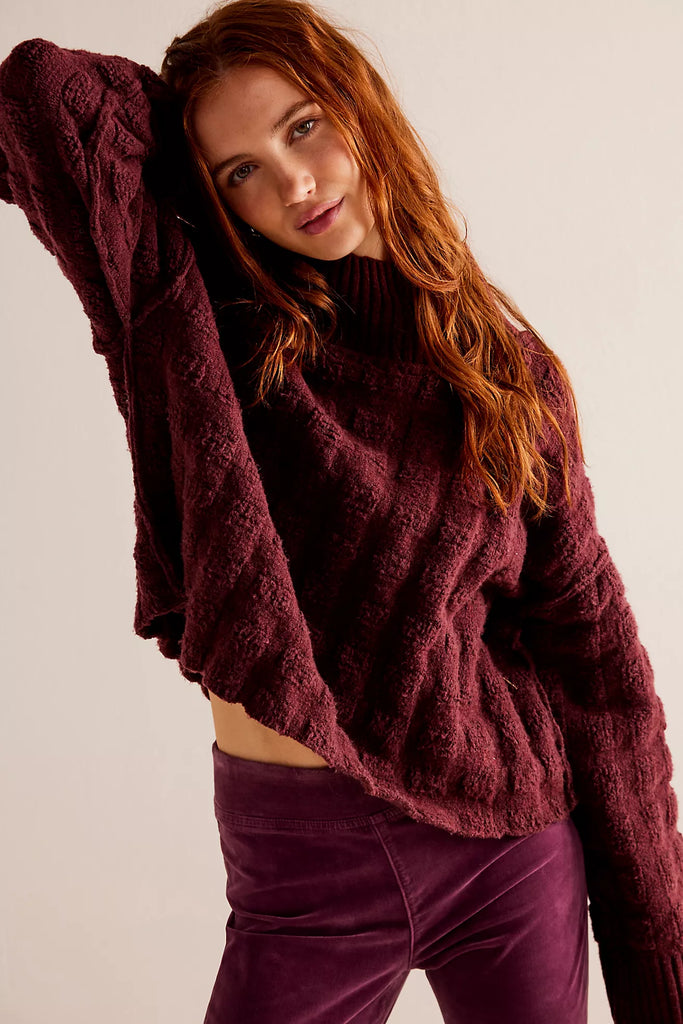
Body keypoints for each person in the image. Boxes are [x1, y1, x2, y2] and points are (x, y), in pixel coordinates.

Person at [0, 1, 681, 1022]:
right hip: (302, 862)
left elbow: (594, 660)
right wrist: (187, 119)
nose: (293, 184)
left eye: (303, 126)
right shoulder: (199, 326)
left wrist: (657, 961)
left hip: (509, 846)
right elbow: (40, 94)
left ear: (361, 109)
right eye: (242, 170)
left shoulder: (510, 376)